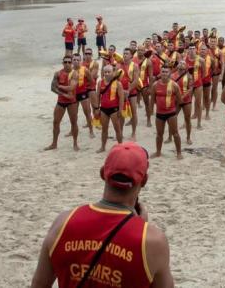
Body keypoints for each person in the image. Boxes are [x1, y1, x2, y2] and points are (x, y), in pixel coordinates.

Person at [30, 142, 174, 288]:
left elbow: (38, 284)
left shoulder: (62, 223)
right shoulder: (153, 242)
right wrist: (141, 227)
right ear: (144, 181)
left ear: (102, 173)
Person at [45, 56, 79, 151]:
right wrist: (63, 94)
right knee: (56, 122)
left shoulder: (74, 73)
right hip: (61, 101)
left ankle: (75, 143)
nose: (67, 64)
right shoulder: (58, 73)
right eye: (65, 62)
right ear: (63, 63)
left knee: (74, 122)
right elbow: (52, 88)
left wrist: (59, 86)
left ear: (71, 63)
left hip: (71, 102)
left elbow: (71, 88)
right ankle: (54, 143)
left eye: (69, 62)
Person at [151, 65, 183, 159]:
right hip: (159, 113)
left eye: (166, 72)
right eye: (163, 71)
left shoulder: (174, 85)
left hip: (171, 113)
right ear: (160, 73)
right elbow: (152, 100)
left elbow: (180, 101)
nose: (164, 73)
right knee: (159, 134)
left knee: (175, 134)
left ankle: (179, 153)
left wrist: (173, 110)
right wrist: (151, 111)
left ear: (169, 73)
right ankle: (158, 152)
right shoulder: (155, 85)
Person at [95, 64, 125, 152]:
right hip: (104, 109)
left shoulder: (118, 84)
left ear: (113, 73)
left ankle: (120, 146)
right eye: (105, 72)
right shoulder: (100, 82)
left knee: (117, 129)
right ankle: (103, 147)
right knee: (104, 129)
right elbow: (97, 96)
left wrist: (120, 110)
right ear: (103, 73)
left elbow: (121, 97)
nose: (107, 74)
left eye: (109, 72)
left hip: (114, 109)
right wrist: (97, 108)